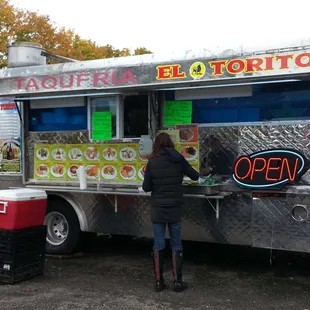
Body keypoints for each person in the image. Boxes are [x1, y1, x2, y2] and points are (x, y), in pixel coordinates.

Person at [142, 133, 200, 292]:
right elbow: (195, 176)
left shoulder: (152, 162)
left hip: (158, 209)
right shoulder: (178, 159)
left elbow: (146, 187)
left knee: (158, 244)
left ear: (156, 145)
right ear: (170, 144)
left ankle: (159, 282)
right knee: (176, 244)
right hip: (175, 208)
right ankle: (177, 282)